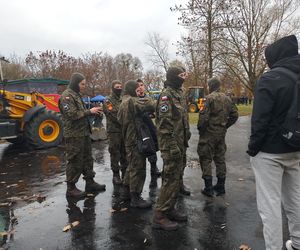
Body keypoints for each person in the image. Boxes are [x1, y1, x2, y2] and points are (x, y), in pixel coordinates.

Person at [247, 35, 300, 250]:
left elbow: (260, 120)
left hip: (269, 152)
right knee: (295, 200)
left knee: (269, 206)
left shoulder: (270, 79)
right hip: (297, 148)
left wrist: (253, 149)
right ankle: (297, 242)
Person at [152, 67, 190, 231]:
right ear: (174, 77)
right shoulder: (166, 96)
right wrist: (173, 145)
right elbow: (164, 125)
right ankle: (159, 215)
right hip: (171, 145)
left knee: (176, 177)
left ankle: (170, 208)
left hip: (180, 143)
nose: (184, 77)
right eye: (181, 75)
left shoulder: (179, 93)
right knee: (170, 178)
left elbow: (182, 119)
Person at [59, 73, 106, 198]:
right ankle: (71, 188)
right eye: (82, 84)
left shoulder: (77, 95)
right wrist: (89, 111)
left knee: (87, 159)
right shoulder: (67, 96)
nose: (84, 86)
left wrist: (93, 113)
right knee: (74, 160)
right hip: (74, 135)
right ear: (75, 83)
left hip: (84, 133)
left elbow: (82, 113)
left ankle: (90, 182)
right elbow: (72, 115)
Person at [197, 77, 238, 197]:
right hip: (221, 133)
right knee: (220, 158)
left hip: (209, 134)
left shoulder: (208, 98)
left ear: (210, 86)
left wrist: (201, 130)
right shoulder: (227, 98)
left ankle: (208, 187)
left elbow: (203, 118)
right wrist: (225, 126)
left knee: (206, 158)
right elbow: (235, 115)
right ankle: (221, 186)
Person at [117, 80, 155, 209]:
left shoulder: (123, 102)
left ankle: (125, 192)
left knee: (131, 166)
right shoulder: (131, 101)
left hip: (128, 138)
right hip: (135, 139)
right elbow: (150, 104)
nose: (139, 90)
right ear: (133, 90)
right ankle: (136, 197)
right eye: (137, 89)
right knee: (138, 168)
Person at [103, 80, 128, 185]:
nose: (119, 88)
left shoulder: (123, 99)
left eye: (120, 86)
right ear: (112, 88)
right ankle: (116, 175)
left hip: (123, 130)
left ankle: (125, 173)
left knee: (124, 152)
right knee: (114, 153)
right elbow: (112, 114)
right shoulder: (108, 100)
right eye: (117, 87)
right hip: (114, 131)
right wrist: (125, 120)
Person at [136, 78, 161, 177]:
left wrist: (152, 114)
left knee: (152, 147)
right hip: (139, 129)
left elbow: (155, 111)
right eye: (138, 86)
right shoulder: (134, 99)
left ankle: (154, 168)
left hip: (149, 126)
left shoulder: (149, 98)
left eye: (142, 85)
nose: (140, 88)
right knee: (140, 149)